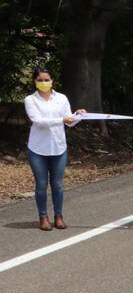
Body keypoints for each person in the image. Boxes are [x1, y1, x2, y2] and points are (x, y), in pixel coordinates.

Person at [24, 67, 85, 231]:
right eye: (40, 80)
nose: (43, 83)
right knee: (41, 184)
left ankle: (58, 216)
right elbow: (38, 121)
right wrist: (62, 118)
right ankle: (43, 217)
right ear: (35, 82)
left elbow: (69, 122)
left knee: (57, 185)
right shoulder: (30, 100)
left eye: (46, 80)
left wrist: (78, 115)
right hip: (38, 149)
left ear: (52, 81)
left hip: (58, 148)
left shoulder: (62, 98)